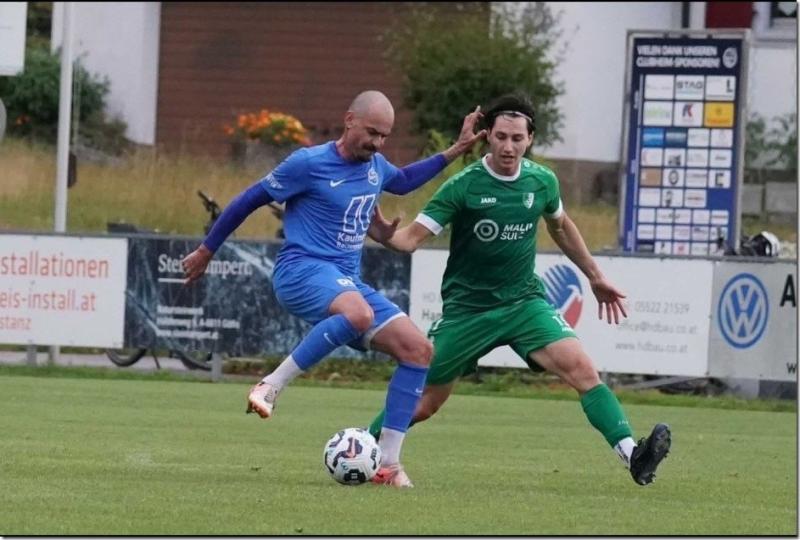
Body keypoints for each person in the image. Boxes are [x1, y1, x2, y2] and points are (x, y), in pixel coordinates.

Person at [181, 90, 486, 488]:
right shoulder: (307, 163)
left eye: (385, 136)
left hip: (346, 282)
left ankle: (389, 465)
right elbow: (248, 200)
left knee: (418, 350)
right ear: (349, 121)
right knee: (359, 313)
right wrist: (207, 249)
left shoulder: (375, 166)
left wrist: (456, 149)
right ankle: (271, 384)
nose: (377, 143)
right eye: (372, 132)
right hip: (300, 271)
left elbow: (405, 181)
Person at [366, 93, 671, 486]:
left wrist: (595, 275)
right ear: (487, 137)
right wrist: (382, 235)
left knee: (583, 371)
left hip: (524, 302)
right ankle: (361, 449)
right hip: (468, 311)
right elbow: (409, 241)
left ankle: (633, 455)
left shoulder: (541, 181)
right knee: (425, 402)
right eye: (500, 137)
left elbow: (560, 226)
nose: (508, 146)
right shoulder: (463, 187)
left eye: (516, 138)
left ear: (530, 139)